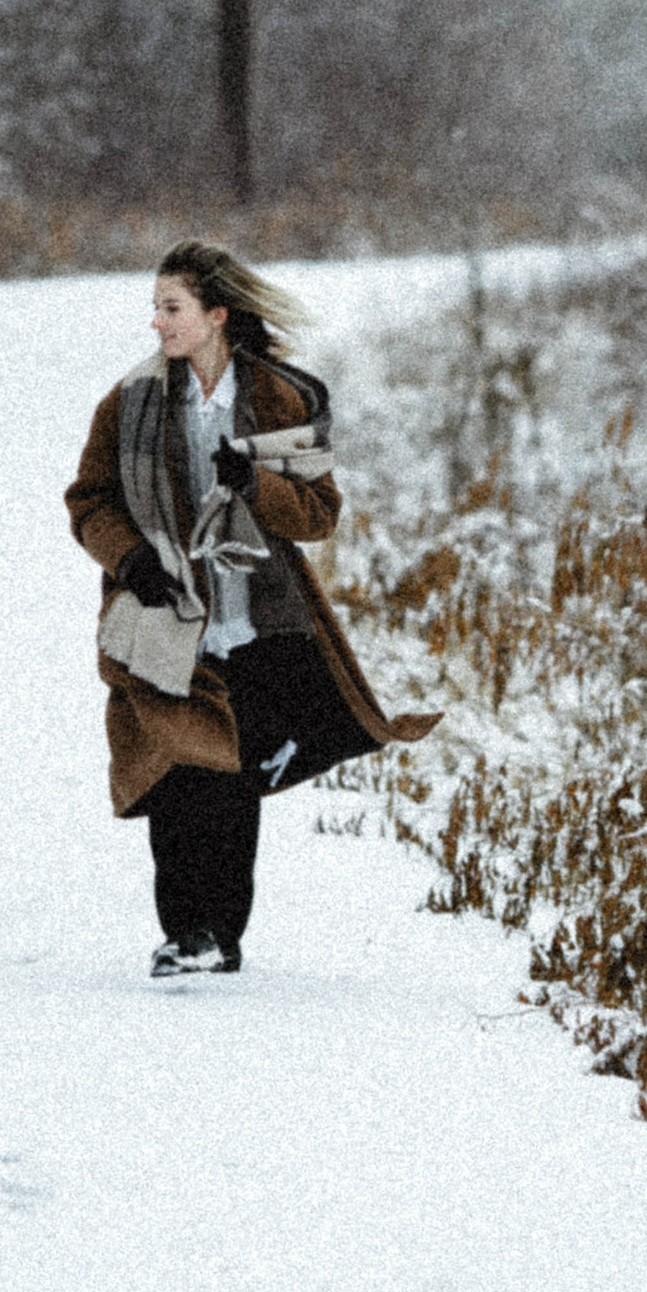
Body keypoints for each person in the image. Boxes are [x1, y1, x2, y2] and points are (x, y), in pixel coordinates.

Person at [65, 239, 434, 976]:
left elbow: (318, 514)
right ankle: (185, 933)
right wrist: (130, 559)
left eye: (171, 309)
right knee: (174, 769)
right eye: (156, 308)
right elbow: (89, 502)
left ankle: (220, 935)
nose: (158, 324)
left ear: (215, 315)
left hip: (256, 619)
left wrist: (254, 483)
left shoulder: (277, 400)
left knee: (232, 778)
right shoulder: (130, 403)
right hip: (165, 617)